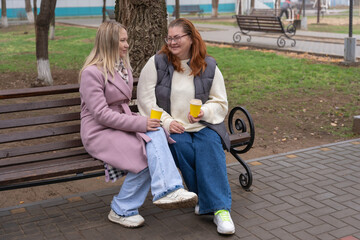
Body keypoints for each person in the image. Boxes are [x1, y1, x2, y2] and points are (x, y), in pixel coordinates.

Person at [79, 21, 198, 229]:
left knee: (157, 133)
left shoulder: (122, 66)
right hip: (99, 132)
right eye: (122, 40)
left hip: (120, 125)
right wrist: (140, 123)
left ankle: (168, 190)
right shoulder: (92, 73)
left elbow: (121, 107)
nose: (127, 45)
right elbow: (101, 115)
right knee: (147, 153)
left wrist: (145, 123)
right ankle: (123, 208)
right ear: (109, 42)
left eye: (126, 40)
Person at [137, 18, 235, 235]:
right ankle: (205, 199)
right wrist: (168, 122)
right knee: (182, 148)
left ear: (191, 39)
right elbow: (145, 100)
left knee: (210, 148)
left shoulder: (208, 65)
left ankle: (220, 210)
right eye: (169, 38)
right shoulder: (157, 63)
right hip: (172, 128)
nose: (172, 42)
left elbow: (220, 101)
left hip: (203, 125)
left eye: (177, 37)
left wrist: (204, 112)